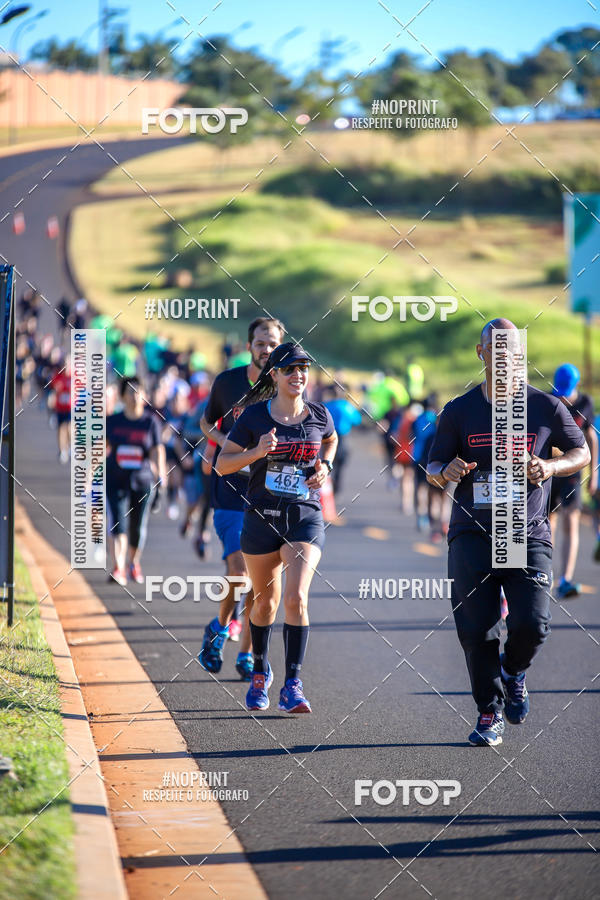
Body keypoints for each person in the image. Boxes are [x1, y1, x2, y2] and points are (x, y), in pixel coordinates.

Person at [427, 318, 590, 747]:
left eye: (512, 351)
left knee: (533, 624)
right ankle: (488, 712)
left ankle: (513, 670)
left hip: (523, 530)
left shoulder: (546, 407)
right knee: (476, 628)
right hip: (473, 530)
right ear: (482, 354)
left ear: (520, 355)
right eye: (496, 350)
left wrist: (551, 465)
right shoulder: (459, 411)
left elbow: (582, 451)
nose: (505, 358)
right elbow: (431, 466)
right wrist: (447, 469)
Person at [216, 342, 338, 713]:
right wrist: (256, 452)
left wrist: (325, 467)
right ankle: (259, 671)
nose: (298, 375)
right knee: (265, 603)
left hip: (304, 515)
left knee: (296, 598)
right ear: (275, 375)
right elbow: (222, 465)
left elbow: (331, 441)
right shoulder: (254, 417)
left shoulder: (320, 415)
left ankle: (293, 684)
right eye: (290, 369)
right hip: (261, 517)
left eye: (303, 368)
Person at [198, 317, 285, 680]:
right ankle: (218, 629)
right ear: (250, 346)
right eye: (261, 343)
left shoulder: (283, 386)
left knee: (257, 580)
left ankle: (247, 654)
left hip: (267, 494)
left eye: (273, 344)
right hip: (231, 491)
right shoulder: (228, 382)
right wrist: (228, 449)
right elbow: (206, 423)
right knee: (238, 570)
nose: (266, 350)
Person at [106, 377, 167, 585]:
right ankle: (118, 567)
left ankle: (133, 562)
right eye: (129, 392)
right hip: (116, 480)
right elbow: (100, 448)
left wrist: (161, 476)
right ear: (122, 396)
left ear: (144, 395)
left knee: (137, 526)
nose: (134, 396)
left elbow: (157, 450)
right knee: (118, 524)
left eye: (137, 391)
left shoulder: (150, 422)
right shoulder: (113, 421)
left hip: (142, 482)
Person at [548, 364, 598, 596]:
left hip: (573, 473)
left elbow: (591, 438)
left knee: (571, 522)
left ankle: (565, 578)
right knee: (549, 523)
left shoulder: (585, 404)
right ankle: (544, 575)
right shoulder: (548, 400)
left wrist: (593, 474)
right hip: (550, 470)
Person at [323, 383, 361, 495]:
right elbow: (357, 420)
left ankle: (327, 491)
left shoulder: (326, 406)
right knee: (339, 468)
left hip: (327, 439)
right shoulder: (347, 406)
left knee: (327, 464)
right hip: (343, 440)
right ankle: (336, 491)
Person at [49, 357, 72, 463]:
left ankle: (70, 447)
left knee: (69, 427)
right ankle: (62, 450)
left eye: (67, 364)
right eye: (64, 364)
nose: (65, 367)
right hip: (60, 407)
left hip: (71, 407)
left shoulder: (74, 377)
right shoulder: (58, 376)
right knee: (61, 428)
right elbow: (53, 389)